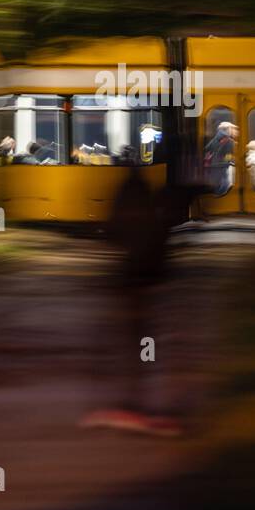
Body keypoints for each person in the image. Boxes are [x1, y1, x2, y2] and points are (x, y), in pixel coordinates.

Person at [80, 167, 183, 437]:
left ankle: (127, 402)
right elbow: (162, 248)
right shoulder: (152, 212)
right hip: (147, 288)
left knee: (121, 345)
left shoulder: (123, 208)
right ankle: (141, 400)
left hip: (126, 286)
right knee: (143, 346)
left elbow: (112, 236)